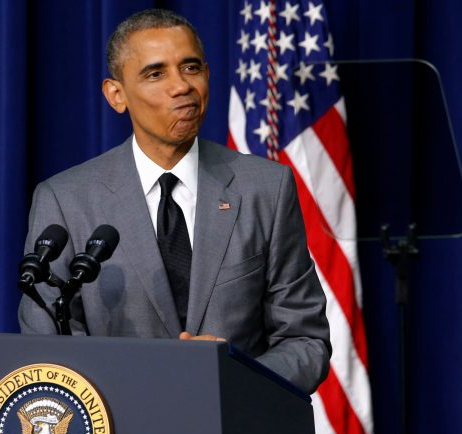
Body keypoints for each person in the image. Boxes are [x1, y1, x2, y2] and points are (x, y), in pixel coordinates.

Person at [19, 9, 331, 394]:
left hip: (237, 432)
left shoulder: (265, 187)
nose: (181, 86)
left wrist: (236, 377)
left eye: (191, 68)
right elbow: (48, 343)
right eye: (155, 74)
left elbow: (305, 340)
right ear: (116, 95)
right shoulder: (66, 199)